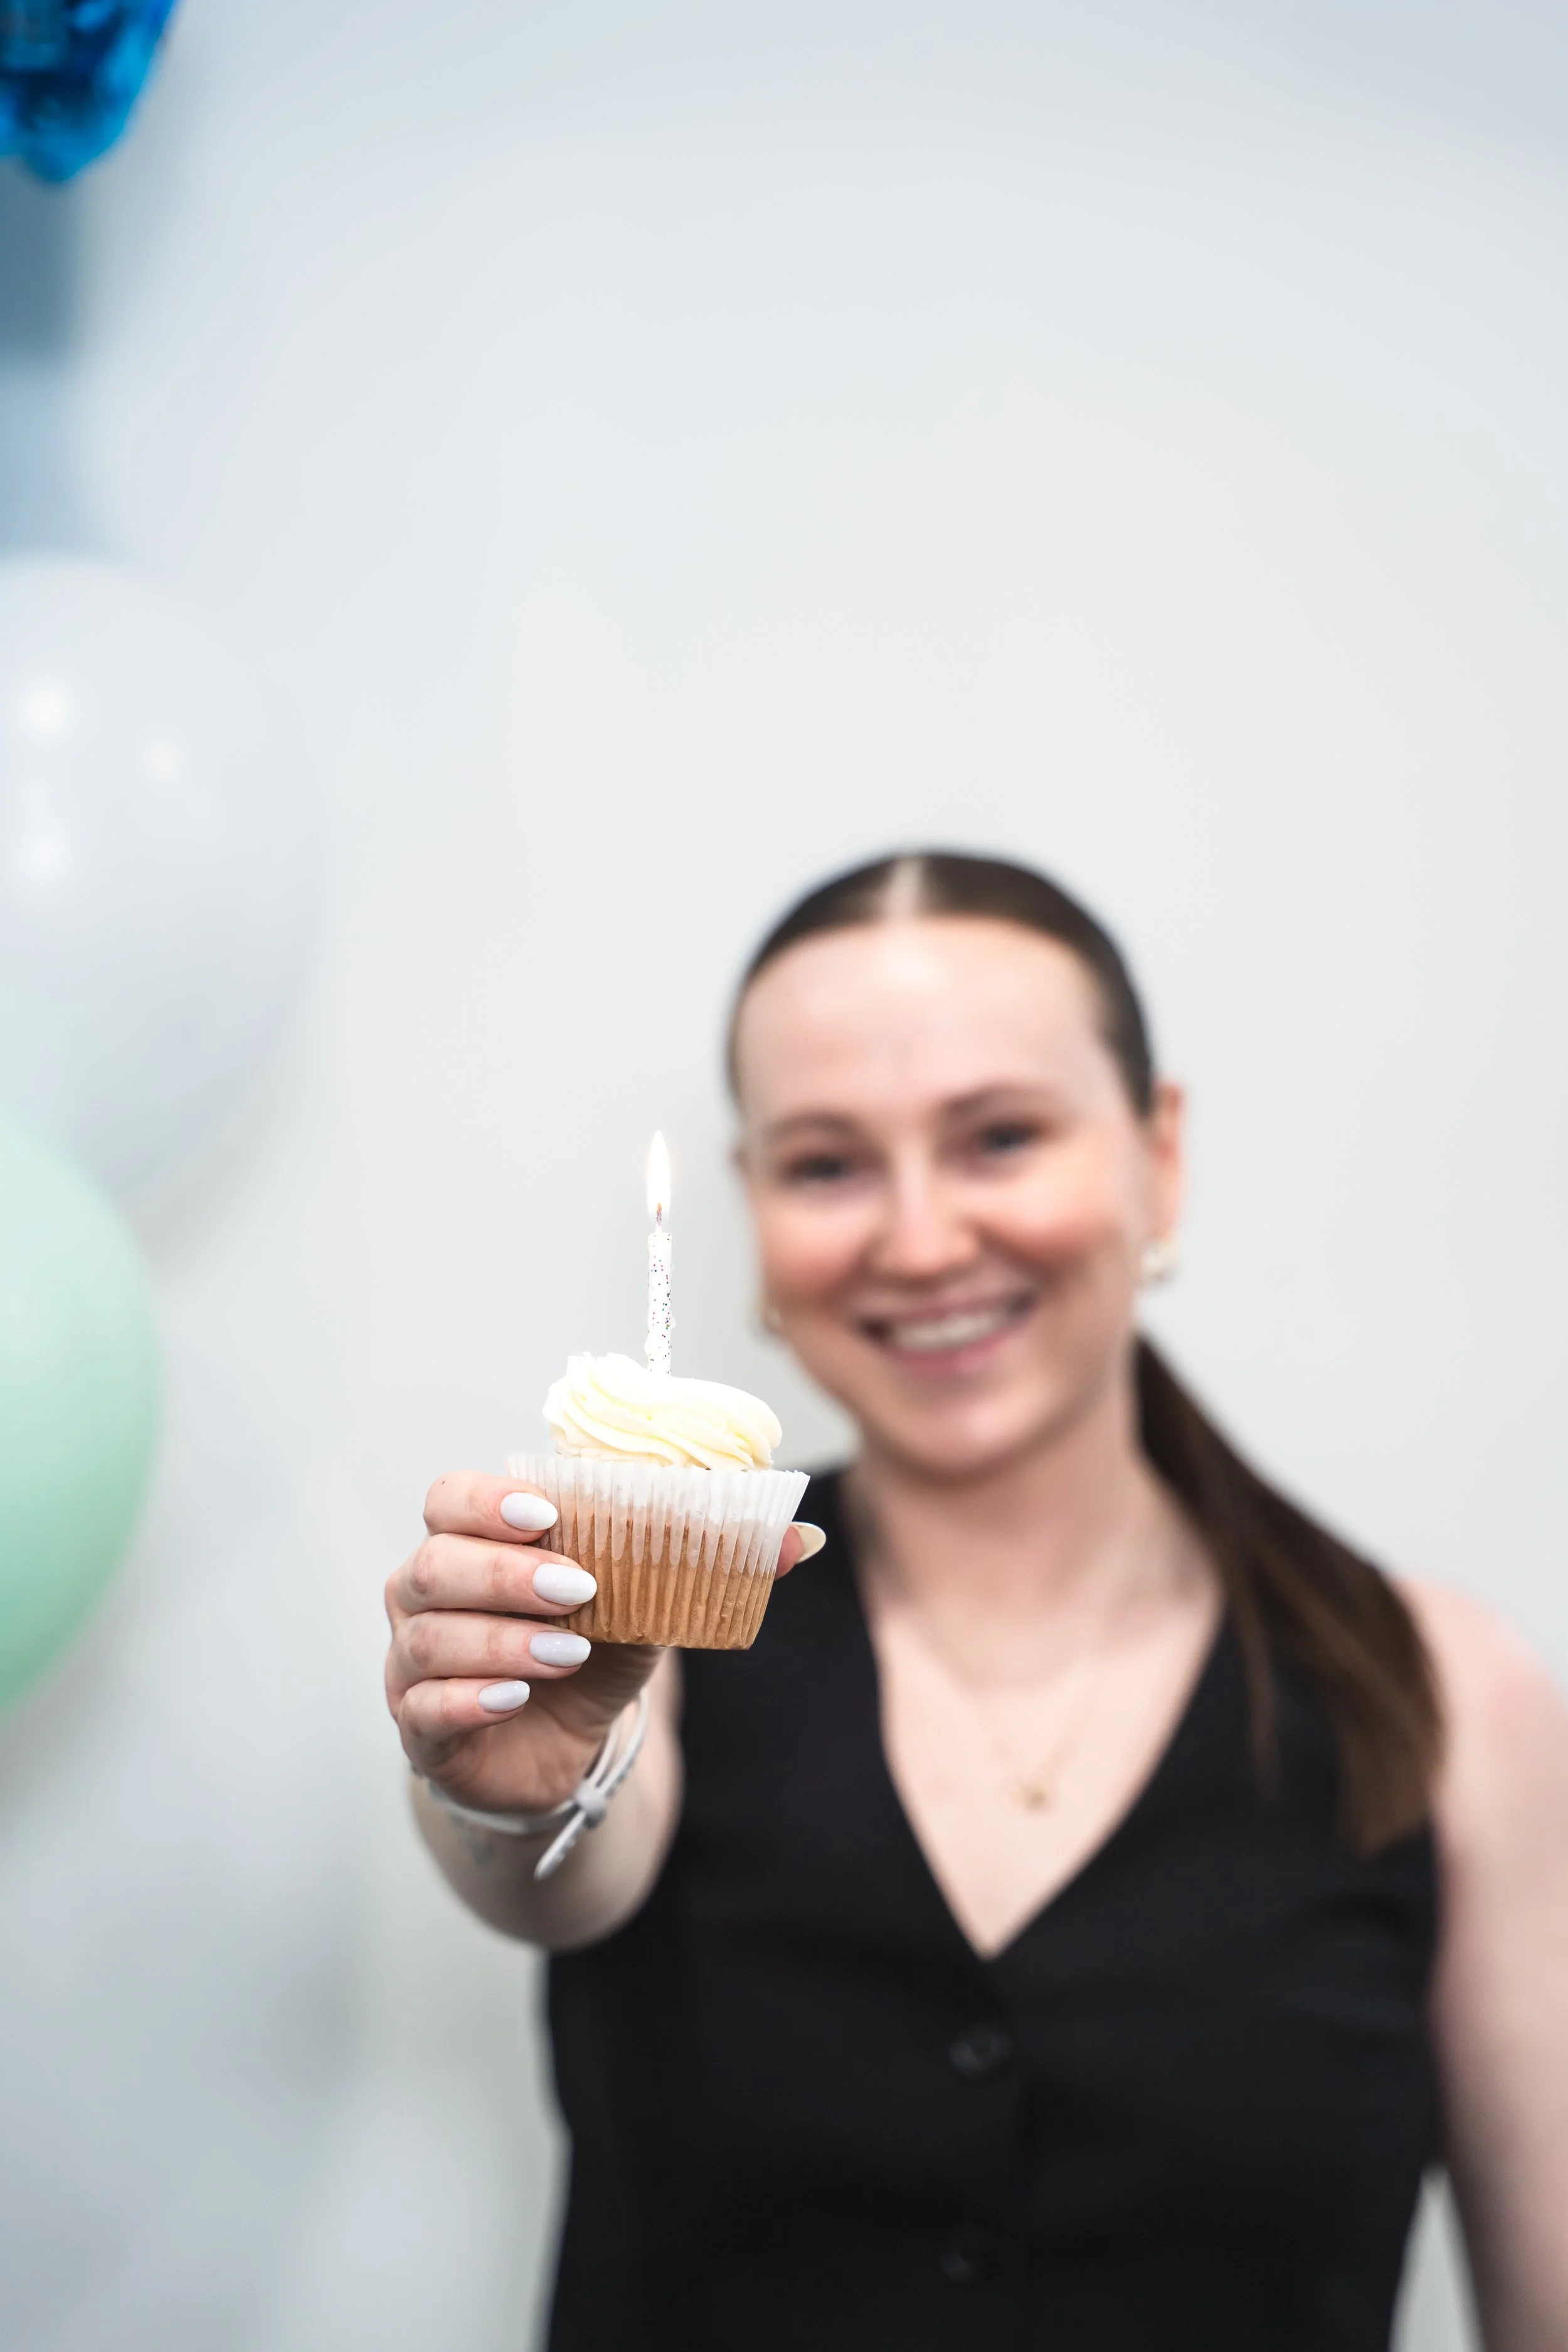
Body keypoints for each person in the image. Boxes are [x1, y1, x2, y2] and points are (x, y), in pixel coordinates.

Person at [384, 850, 1568, 2352]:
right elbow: (557, 1864)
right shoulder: (656, 1624)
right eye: (825, 1164)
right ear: (752, 1212)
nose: (923, 1237)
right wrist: (495, 1790)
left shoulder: (1453, 1698)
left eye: (997, 1137)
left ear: (1158, 1155)